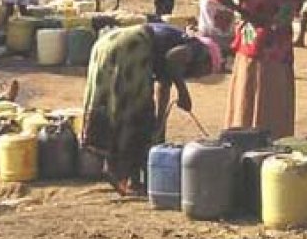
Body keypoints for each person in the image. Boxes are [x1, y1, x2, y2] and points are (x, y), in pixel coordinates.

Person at [82, 23, 214, 196]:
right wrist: (183, 92)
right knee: (138, 112)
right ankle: (128, 177)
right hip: (133, 45)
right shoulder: (198, 49)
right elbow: (172, 58)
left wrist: (159, 125)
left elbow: (164, 86)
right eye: (205, 72)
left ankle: (120, 170)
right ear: (208, 61)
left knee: (112, 106)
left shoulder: (175, 44)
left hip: (106, 43)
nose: (199, 76)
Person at [213, 0, 305, 140]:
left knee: (247, 95)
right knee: (276, 100)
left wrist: (245, 13)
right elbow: (294, 11)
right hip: (281, 51)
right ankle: (275, 142)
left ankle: (242, 142)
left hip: (252, 47)